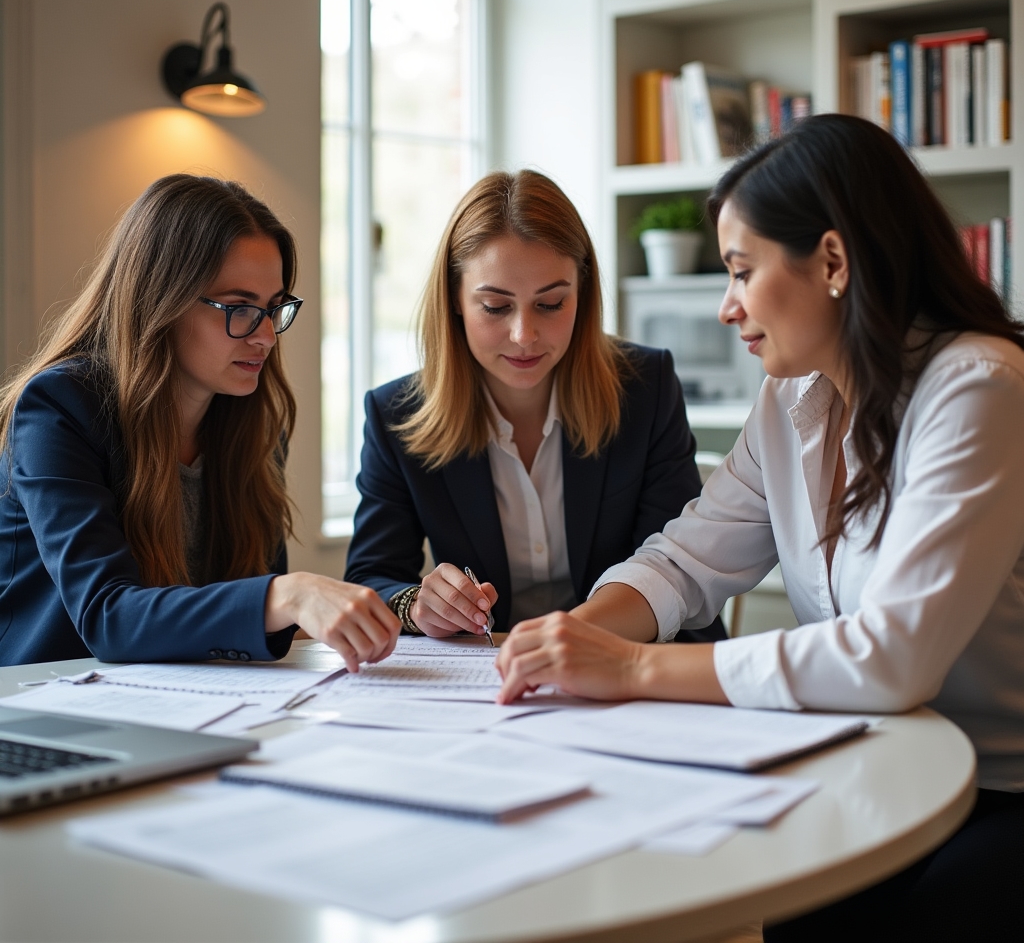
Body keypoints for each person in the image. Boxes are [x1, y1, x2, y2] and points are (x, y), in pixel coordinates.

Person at [494, 115, 1024, 940]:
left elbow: (894, 656)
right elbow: (687, 560)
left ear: (834, 262)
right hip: (875, 760)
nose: (725, 306)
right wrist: (570, 641)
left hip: (998, 784)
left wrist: (631, 667)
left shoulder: (978, 387)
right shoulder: (794, 396)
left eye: (741, 271)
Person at [0, 174, 399, 669]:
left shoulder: (254, 426)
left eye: (274, 309)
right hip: (50, 709)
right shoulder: (59, 409)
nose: (266, 337)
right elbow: (108, 616)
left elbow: (245, 627)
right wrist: (287, 596)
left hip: (189, 702)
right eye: (238, 308)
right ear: (160, 300)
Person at [345, 169, 724, 642]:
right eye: (496, 307)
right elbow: (370, 579)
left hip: (635, 659)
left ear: (581, 296)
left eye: (550, 304)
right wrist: (417, 605)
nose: (524, 335)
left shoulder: (645, 388)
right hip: (488, 681)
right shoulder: (396, 415)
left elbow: (674, 569)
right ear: (456, 299)